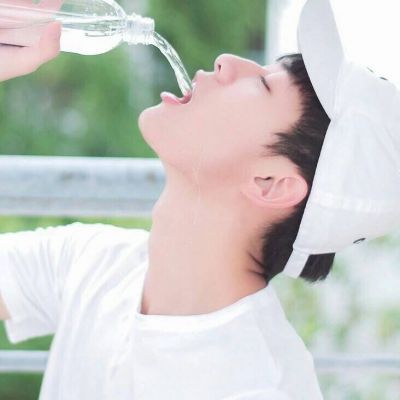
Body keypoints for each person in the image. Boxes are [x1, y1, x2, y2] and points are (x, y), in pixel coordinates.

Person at [0, 10, 332, 400]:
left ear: (270, 184)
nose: (225, 62)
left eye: (262, 84)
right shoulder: (98, 264)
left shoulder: (255, 387)